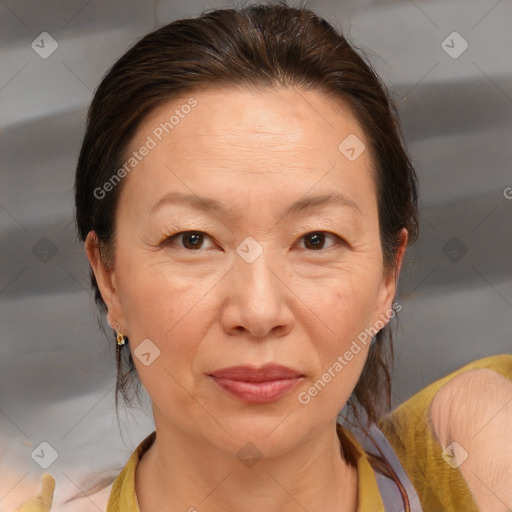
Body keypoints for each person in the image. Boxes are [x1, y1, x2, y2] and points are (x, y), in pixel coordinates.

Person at [14, 2, 512, 511]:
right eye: (193, 240)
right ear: (109, 276)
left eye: (316, 240)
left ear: (389, 277)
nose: (257, 312)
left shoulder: (473, 472)